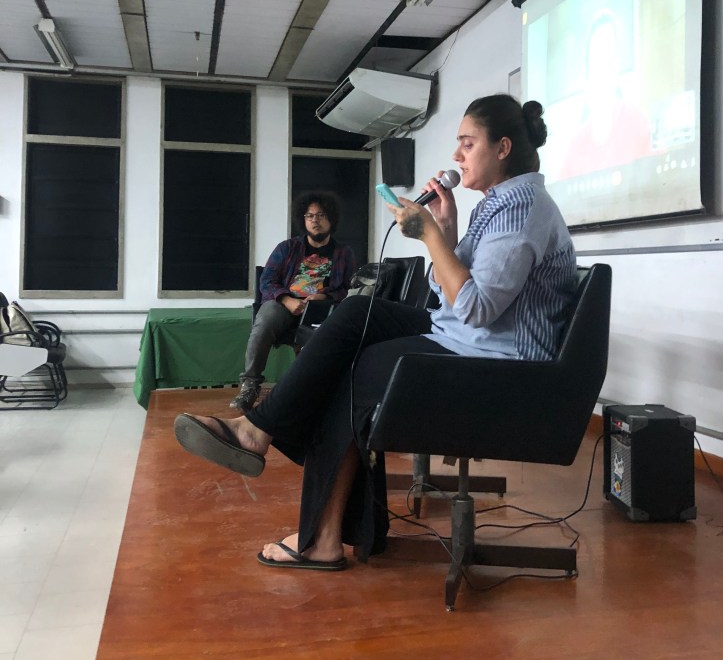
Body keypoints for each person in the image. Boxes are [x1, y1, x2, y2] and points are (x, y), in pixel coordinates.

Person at [174, 94, 577, 571]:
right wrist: (446, 231)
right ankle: (259, 433)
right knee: (356, 313)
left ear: (503, 148)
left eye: (468, 144)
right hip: (465, 337)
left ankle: (315, 526)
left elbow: (474, 308)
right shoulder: (500, 203)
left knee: (356, 374)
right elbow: (451, 293)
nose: (457, 155)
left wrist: (431, 236)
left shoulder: (520, 209)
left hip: (499, 365)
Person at [229, 190, 356, 412]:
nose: (315, 221)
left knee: (338, 331)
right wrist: (286, 299)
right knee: (265, 320)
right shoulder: (287, 248)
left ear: (331, 219)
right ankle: (250, 385)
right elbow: (267, 281)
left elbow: (349, 288)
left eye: (321, 215)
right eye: (310, 216)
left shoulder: (344, 253)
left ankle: (315, 392)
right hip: (284, 304)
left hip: (322, 308)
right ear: (303, 219)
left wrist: (325, 296)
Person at [558, 10, 653, 180]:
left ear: (617, 66)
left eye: (609, 62)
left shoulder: (637, 122)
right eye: (597, 62)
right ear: (586, 74)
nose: (603, 72)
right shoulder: (577, 143)